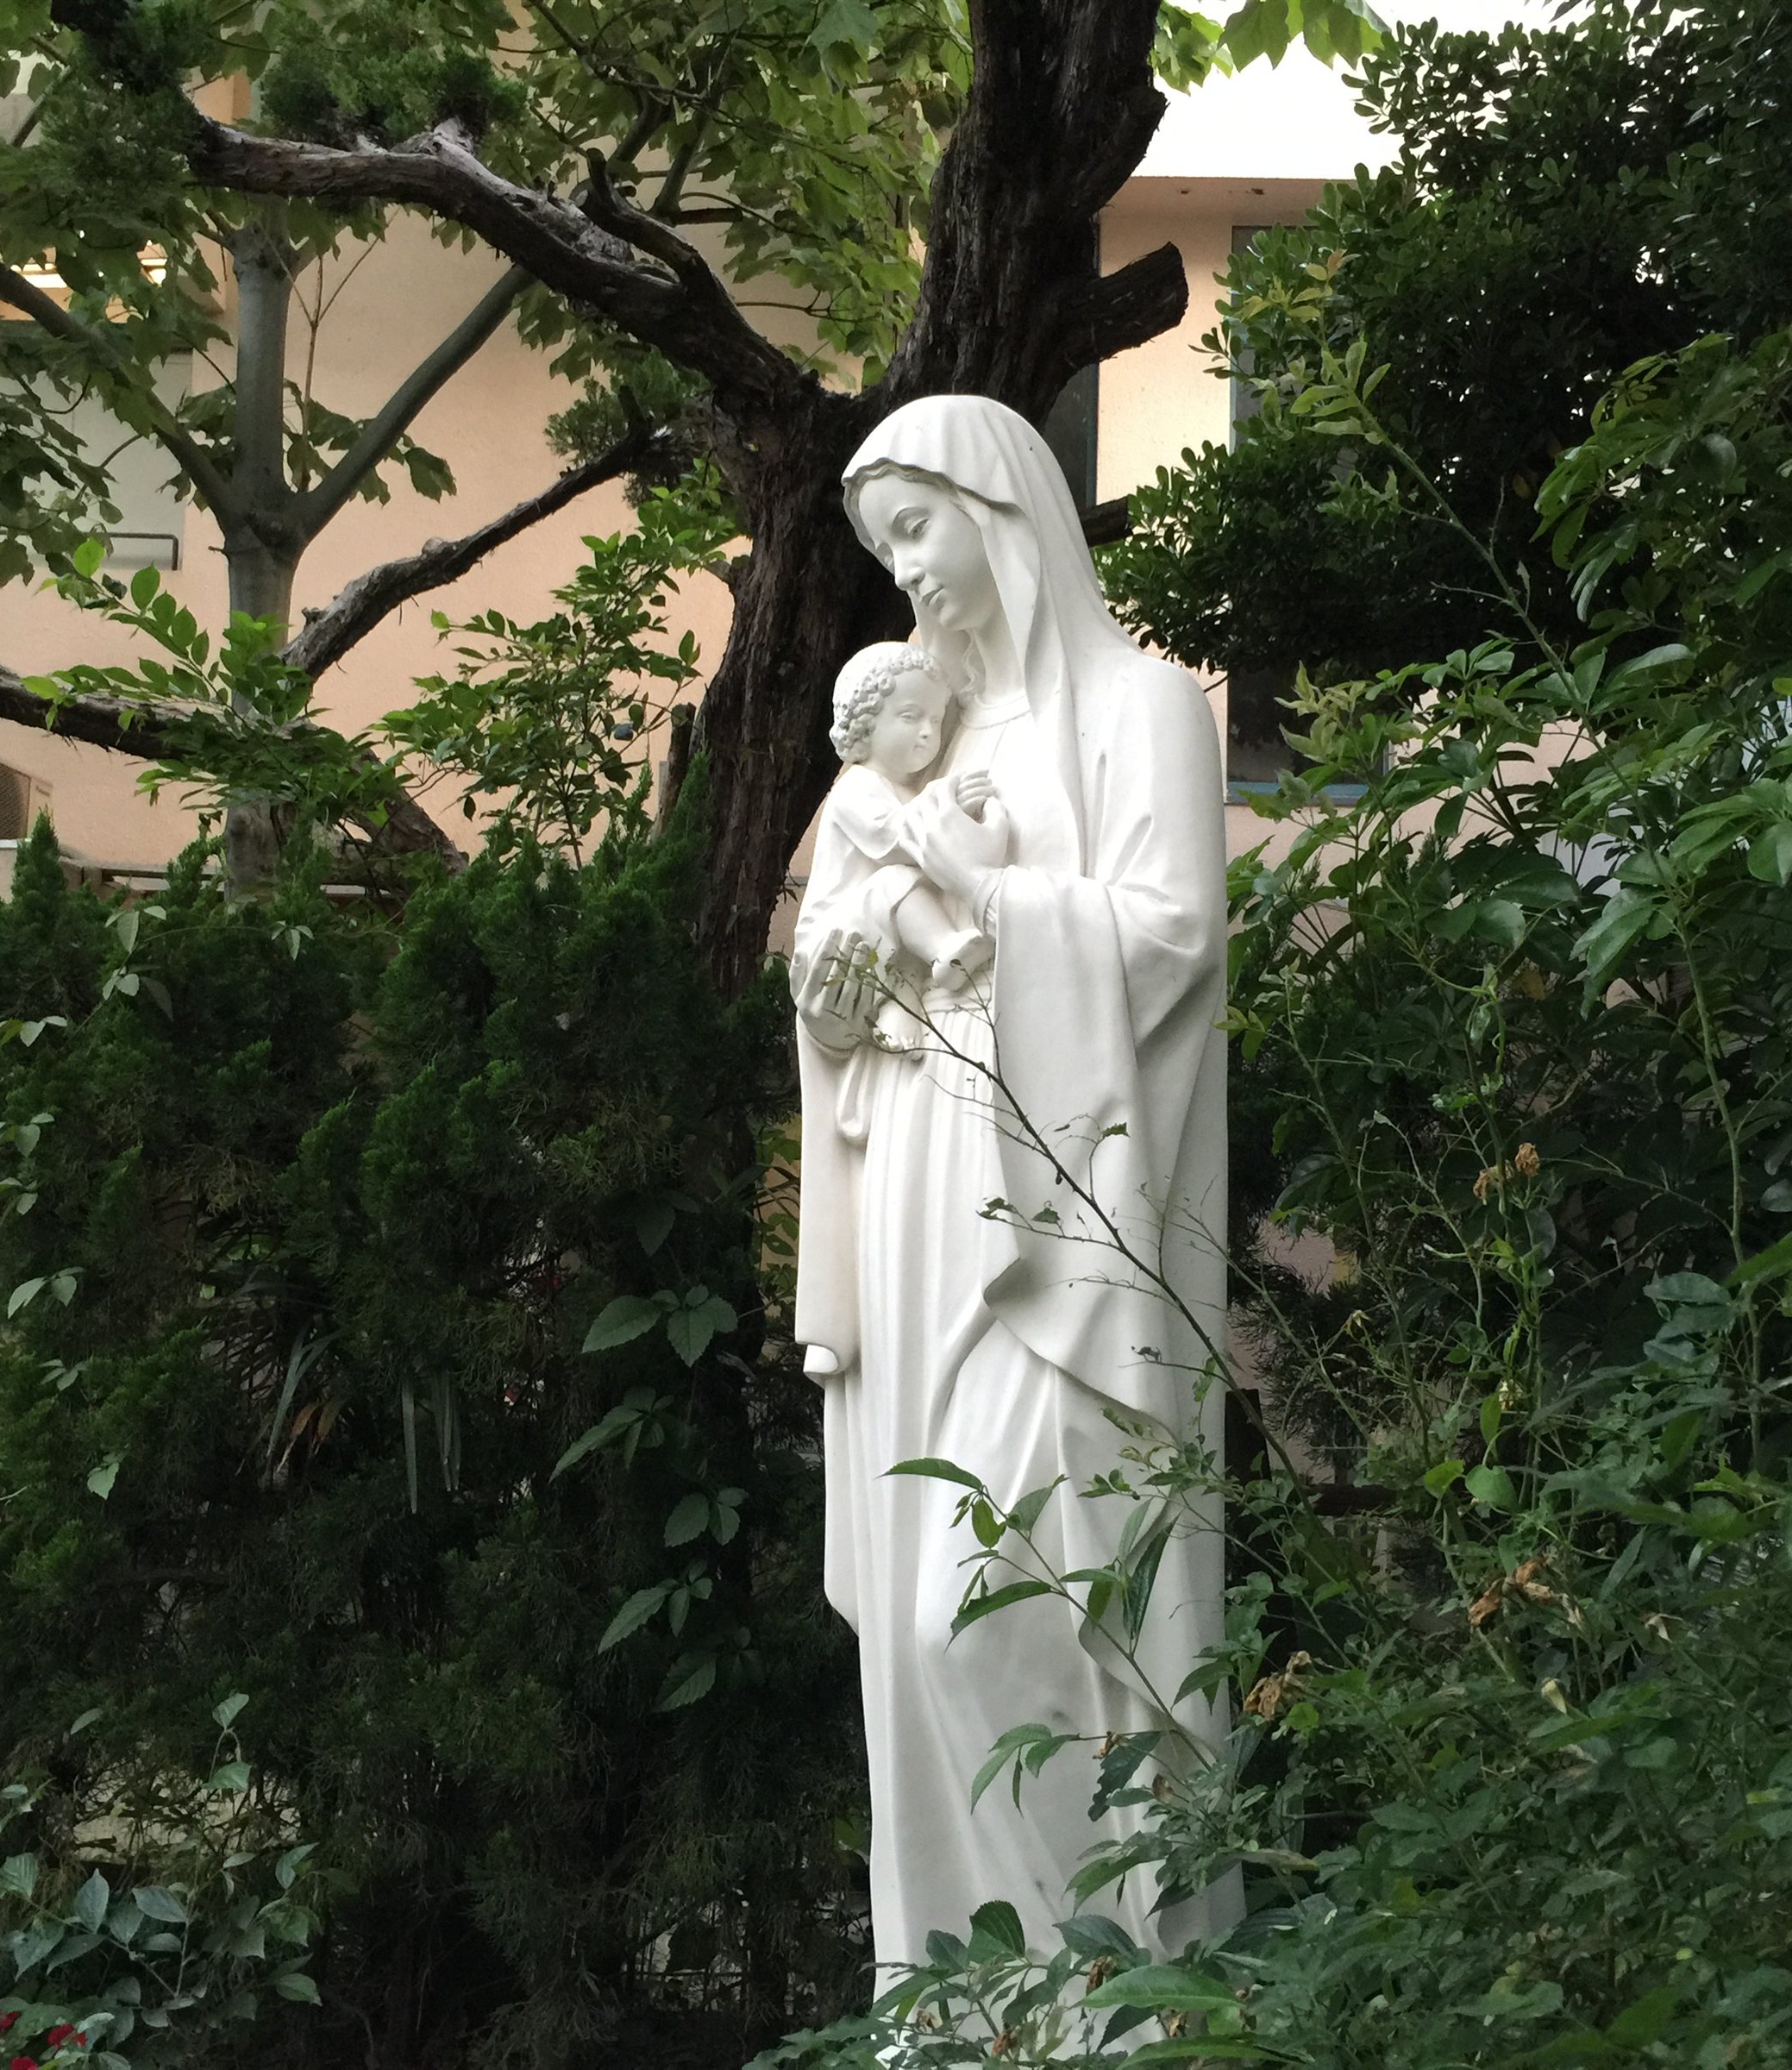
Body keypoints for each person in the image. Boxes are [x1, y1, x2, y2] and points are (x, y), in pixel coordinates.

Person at [789, 395, 1241, 1985]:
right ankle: (971, 2004)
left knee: (992, 1607)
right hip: (916, 1179)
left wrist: (989, 899)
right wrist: (840, 973)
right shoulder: (918, 733)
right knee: (916, 1634)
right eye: (885, 548)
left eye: (917, 529)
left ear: (998, 509)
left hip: (1063, 1196)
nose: (906, 573)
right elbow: (828, 968)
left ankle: (1110, 1986)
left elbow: (1174, 935)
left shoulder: (1141, 707)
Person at [822, 640, 1006, 989]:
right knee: (893, 882)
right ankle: (946, 949)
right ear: (864, 722)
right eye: (910, 716)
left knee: (905, 996)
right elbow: (893, 841)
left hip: (885, 934)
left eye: (936, 720)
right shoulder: (855, 787)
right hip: (837, 935)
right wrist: (948, 806)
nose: (927, 731)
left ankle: (917, 990)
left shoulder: (911, 792)